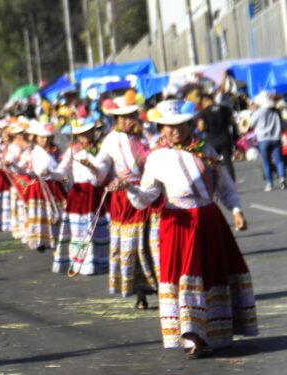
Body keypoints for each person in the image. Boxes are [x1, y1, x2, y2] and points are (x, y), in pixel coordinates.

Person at [125, 99, 257, 357]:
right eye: (169, 126)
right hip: (178, 225)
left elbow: (224, 185)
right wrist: (130, 188)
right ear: (161, 128)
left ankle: (215, 331)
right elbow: (147, 197)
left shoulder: (204, 150)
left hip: (208, 219)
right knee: (185, 276)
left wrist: (237, 210)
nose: (176, 131)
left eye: (181, 125)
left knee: (211, 272)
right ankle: (192, 334)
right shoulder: (157, 158)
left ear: (189, 124)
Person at [96, 93, 157, 303]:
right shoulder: (112, 140)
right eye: (124, 117)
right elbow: (101, 167)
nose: (129, 120)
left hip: (152, 191)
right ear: (117, 120)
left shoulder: (148, 134)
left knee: (152, 241)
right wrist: (91, 167)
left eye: (132, 115)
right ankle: (139, 289)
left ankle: (159, 283)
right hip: (125, 197)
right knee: (131, 245)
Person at [53, 116, 110, 275]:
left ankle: (98, 262)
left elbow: (101, 174)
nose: (85, 137)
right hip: (78, 195)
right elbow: (61, 171)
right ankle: (79, 262)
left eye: (88, 133)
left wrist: (91, 166)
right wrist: (49, 174)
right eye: (82, 134)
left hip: (95, 192)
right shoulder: (72, 152)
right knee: (78, 230)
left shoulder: (100, 151)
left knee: (96, 228)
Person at [18, 120, 67, 251]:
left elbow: (63, 169)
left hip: (54, 186)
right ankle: (40, 240)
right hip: (38, 187)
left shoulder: (57, 152)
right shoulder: (32, 152)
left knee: (56, 215)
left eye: (47, 138)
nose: (44, 141)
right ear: (37, 138)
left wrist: (54, 174)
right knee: (40, 215)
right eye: (42, 138)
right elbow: (24, 169)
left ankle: (56, 239)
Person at [250, 91, 286, 191]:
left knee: (266, 162)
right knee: (279, 160)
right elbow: (283, 125)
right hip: (276, 138)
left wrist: (253, 111)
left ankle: (269, 183)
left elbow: (251, 123)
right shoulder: (276, 111)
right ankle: (282, 178)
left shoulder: (260, 112)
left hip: (263, 139)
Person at [197, 93, 238, 180]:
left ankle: (217, 183)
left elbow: (201, 127)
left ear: (204, 102)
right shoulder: (224, 109)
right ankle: (232, 182)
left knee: (213, 163)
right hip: (225, 138)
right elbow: (232, 122)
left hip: (212, 140)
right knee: (228, 162)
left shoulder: (204, 112)